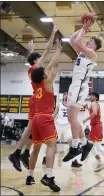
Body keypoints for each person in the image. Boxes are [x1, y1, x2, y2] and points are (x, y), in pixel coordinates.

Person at [8, 22, 58, 172]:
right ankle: (17, 153)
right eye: (39, 57)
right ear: (36, 60)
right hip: (37, 100)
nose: (42, 58)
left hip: (36, 98)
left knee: (32, 128)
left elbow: (35, 56)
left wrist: (31, 50)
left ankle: (23, 152)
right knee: (30, 127)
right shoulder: (35, 68)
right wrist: (53, 33)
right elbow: (48, 49)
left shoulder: (31, 69)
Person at [63, 20, 102, 162]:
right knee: (71, 118)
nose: (88, 42)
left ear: (94, 46)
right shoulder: (81, 53)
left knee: (72, 117)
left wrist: (84, 30)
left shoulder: (92, 54)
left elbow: (78, 42)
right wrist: (82, 28)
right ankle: (85, 144)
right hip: (75, 85)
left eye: (90, 41)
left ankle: (75, 146)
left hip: (80, 85)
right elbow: (73, 39)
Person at [25, 39, 61, 192]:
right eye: (45, 72)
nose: (47, 71)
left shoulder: (36, 83)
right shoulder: (47, 84)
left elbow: (49, 67)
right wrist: (58, 50)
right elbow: (55, 65)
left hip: (36, 118)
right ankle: (49, 175)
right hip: (46, 117)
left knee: (36, 149)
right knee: (52, 145)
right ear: (44, 75)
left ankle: (30, 175)